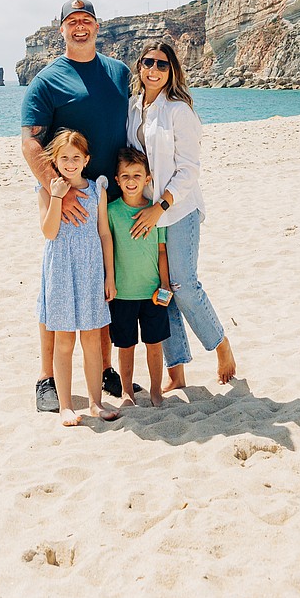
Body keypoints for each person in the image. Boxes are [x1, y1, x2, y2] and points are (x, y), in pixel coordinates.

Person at [21, 0, 131, 412]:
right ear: (61, 29)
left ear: (97, 27)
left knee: (100, 284)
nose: (80, 27)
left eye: (86, 20)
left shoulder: (119, 73)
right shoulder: (47, 80)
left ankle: (103, 368)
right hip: (63, 196)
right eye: (72, 22)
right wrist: (55, 189)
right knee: (57, 287)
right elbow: (31, 141)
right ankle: (46, 378)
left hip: (108, 194)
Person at [127, 41, 236, 390]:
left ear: (171, 70)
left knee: (183, 286)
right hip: (146, 212)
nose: (154, 70)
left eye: (162, 64)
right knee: (162, 290)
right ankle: (177, 372)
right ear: (140, 67)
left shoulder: (178, 110)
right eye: (148, 63)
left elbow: (189, 169)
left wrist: (161, 205)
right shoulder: (133, 107)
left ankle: (222, 345)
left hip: (178, 209)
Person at [38, 129, 119, 426]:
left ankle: (96, 403)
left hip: (90, 271)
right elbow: (49, 232)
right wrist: (57, 197)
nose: (70, 163)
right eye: (64, 158)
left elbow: (104, 233)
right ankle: (66, 406)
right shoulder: (47, 190)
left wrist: (109, 276)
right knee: (63, 341)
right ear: (55, 161)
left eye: (76, 158)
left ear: (86, 160)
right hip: (60, 271)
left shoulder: (97, 190)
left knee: (92, 339)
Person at [108, 147, 172, 408]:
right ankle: (127, 392)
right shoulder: (111, 212)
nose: (131, 181)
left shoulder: (156, 213)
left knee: (154, 345)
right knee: (126, 346)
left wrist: (165, 285)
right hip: (123, 293)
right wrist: (109, 282)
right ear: (117, 180)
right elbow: (107, 249)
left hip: (153, 293)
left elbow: (161, 250)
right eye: (125, 176)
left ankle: (156, 391)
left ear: (148, 178)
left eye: (137, 175)